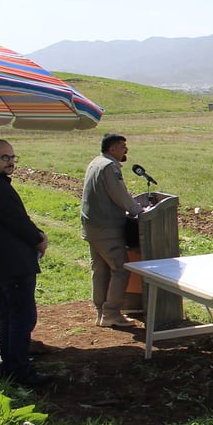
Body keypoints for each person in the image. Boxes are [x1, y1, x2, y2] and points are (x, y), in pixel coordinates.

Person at [0, 139, 51, 386]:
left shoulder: (0, 184)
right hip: (13, 263)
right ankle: (18, 371)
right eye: (4, 158)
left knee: (10, 316)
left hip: (6, 263)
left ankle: (11, 365)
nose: (10, 163)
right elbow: (16, 221)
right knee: (21, 318)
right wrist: (38, 237)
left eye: (12, 158)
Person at [80, 133, 147, 327]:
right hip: (107, 228)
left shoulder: (95, 163)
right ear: (112, 149)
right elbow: (120, 195)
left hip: (92, 226)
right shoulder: (110, 167)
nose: (126, 150)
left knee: (100, 270)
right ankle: (111, 313)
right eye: (122, 146)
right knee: (120, 269)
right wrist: (139, 211)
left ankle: (101, 311)